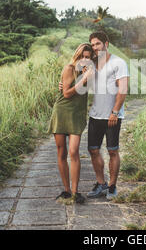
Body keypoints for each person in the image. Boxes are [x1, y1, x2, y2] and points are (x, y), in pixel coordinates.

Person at [48, 43, 96, 204]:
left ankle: (76, 192)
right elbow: (67, 94)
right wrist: (82, 80)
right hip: (62, 111)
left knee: (74, 151)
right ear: (77, 55)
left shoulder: (89, 71)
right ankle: (67, 190)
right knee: (61, 151)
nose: (84, 59)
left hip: (77, 114)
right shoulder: (69, 68)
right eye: (82, 56)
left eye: (88, 57)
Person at [85, 31, 130, 200]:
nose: (95, 47)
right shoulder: (92, 64)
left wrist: (115, 112)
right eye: (93, 45)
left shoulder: (118, 63)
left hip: (112, 116)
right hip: (95, 115)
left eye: (98, 44)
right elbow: (78, 80)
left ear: (106, 43)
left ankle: (112, 186)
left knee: (112, 151)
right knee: (93, 150)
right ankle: (101, 184)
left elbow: (123, 89)